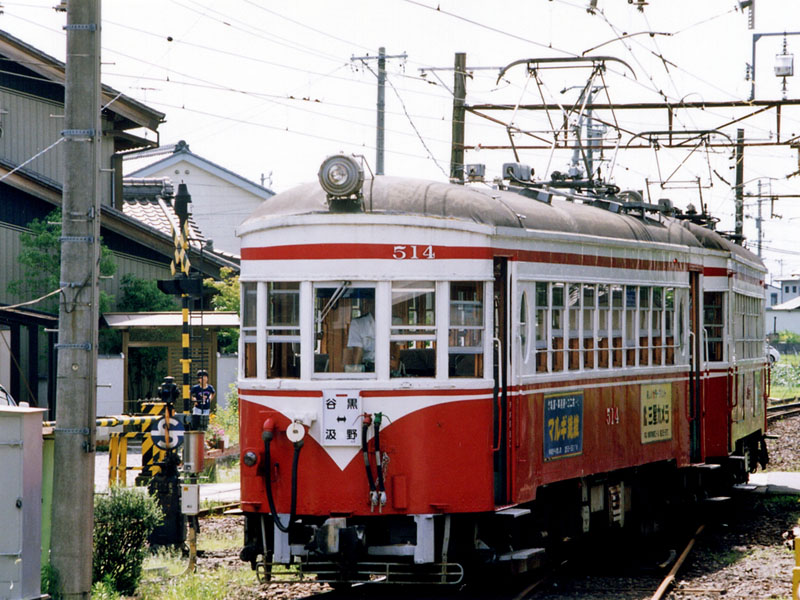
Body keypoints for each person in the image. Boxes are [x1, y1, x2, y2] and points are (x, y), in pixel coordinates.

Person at [345, 297, 374, 372]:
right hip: (368, 369)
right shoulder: (358, 323)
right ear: (369, 304)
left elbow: (395, 350)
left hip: (388, 368)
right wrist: (356, 372)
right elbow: (358, 350)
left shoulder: (394, 322)